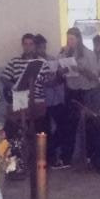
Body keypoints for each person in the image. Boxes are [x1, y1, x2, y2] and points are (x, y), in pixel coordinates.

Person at [0, 33, 47, 178]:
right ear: (22, 45)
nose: (28, 47)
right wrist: (13, 85)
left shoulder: (41, 62)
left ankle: (39, 162)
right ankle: (15, 163)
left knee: (41, 128)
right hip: (19, 99)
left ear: (35, 46)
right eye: (25, 44)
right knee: (11, 128)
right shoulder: (15, 62)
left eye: (30, 44)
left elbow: (46, 80)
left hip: (37, 101)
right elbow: (4, 77)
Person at [54, 27, 100, 169]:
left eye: (72, 39)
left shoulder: (89, 54)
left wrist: (82, 70)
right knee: (68, 125)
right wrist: (62, 70)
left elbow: (95, 77)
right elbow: (59, 72)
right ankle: (66, 158)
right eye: (68, 39)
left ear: (79, 39)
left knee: (89, 125)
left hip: (86, 91)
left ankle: (91, 158)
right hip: (71, 90)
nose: (70, 42)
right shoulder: (65, 53)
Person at [35, 34, 66, 165]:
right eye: (41, 47)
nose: (43, 50)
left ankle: (53, 150)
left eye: (45, 47)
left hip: (56, 98)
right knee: (44, 129)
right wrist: (51, 79)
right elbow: (41, 81)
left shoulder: (52, 59)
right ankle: (48, 157)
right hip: (43, 100)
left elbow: (59, 79)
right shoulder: (35, 62)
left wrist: (60, 74)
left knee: (63, 125)